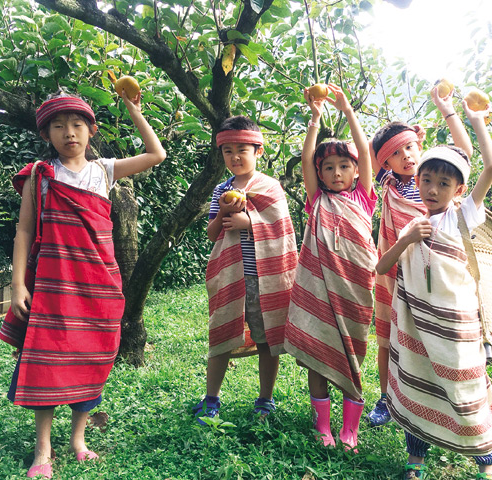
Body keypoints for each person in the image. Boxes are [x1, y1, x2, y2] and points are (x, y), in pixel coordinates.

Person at [0, 92, 166, 479]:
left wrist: (134, 111)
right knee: (47, 362)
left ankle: (78, 440)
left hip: (99, 286)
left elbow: (156, 155)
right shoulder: (40, 175)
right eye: (58, 126)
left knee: (91, 359)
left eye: (77, 125)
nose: (68, 133)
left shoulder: (104, 171)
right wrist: (18, 284)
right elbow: (24, 232)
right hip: (53, 286)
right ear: (47, 134)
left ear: (91, 131)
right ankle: (43, 449)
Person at [376, 98, 492, 480]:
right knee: (418, 386)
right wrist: (406, 239)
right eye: (426, 181)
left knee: (465, 388)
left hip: (455, 328)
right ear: (417, 182)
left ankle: (486, 462)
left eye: (443, 183)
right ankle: (415, 460)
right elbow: (381, 267)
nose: (432, 189)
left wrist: (476, 120)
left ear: (459, 189)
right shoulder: (410, 225)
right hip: (417, 328)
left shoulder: (463, 214)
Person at [366, 86, 473, 427]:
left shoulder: (438, 178)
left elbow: (466, 153)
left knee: (434, 336)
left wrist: (446, 109)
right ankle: (386, 397)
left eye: (411, 147)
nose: (408, 156)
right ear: (386, 163)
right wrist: (396, 138)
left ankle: (442, 396)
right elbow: (371, 154)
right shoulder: (389, 183)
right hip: (397, 273)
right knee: (388, 335)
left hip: (439, 275)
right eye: (398, 153)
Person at [284, 84, 377, 452]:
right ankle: (324, 427)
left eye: (344, 166)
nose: (336, 173)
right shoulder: (316, 199)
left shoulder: (363, 197)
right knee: (318, 362)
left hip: (356, 288)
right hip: (318, 290)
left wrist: (348, 110)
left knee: (353, 360)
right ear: (319, 173)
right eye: (328, 168)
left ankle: (349, 431)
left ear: (355, 171)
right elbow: (306, 158)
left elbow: (367, 152)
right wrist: (315, 120)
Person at [194, 116, 297, 425]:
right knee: (222, 333)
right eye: (228, 151)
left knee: (267, 339)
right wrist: (225, 212)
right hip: (232, 276)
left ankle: (266, 399)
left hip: (266, 279)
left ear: (258, 152)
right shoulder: (220, 190)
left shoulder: (270, 187)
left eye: (242, 149)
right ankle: (211, 398)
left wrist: (249, 222)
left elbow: (281, 226)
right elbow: (212, 233)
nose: (235, 157)